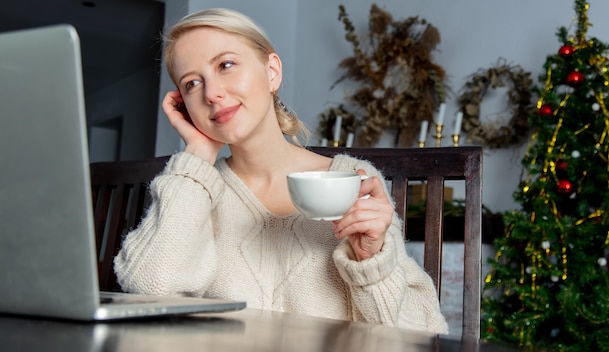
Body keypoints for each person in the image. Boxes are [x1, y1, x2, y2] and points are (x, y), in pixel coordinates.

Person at [114, 8, 448, 334]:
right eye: (191, 84)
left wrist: (371, 261)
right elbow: (151, 293)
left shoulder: (353, 180)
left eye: (226, 65)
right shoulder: (194, 190)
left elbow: (420, 333)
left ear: (271, 71)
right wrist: (198, 155)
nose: (212, 94)